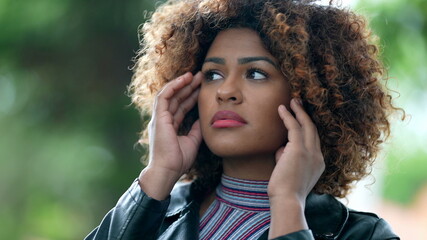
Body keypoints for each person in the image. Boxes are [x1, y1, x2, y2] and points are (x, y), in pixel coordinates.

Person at [86, 0, 403, 239]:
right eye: (212, 74)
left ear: (310, 95)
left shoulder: (364, 234)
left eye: (255, 73)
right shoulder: (158, 206)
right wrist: (160, 172)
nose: (225, 91)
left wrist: (288, 204)